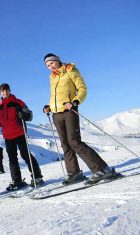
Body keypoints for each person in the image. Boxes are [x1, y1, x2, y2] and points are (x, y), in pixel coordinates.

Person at [42, 53, 117, 185]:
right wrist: (50, 106)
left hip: (69, 110)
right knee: (65, 144)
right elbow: (55, 95)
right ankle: (74, 173)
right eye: (47, 65)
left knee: (74, 141)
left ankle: (102, 169)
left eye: (51, 63)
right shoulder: (52, 77)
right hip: (56, 114)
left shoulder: (71, 70)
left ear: (57, 61)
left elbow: (82, 89)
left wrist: (75, 102)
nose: (50, 67)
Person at [0, 83, 44, 191]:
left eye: (6, 90)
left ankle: (37, 177)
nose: (5, 93)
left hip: (19, 133)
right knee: (12, 159)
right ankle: (17, 181)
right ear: (0, 93)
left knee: (26, 155)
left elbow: (30, 115)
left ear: (9, 90)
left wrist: (25, 116)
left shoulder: (17, 102)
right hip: (8, 136)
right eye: (2, 91)